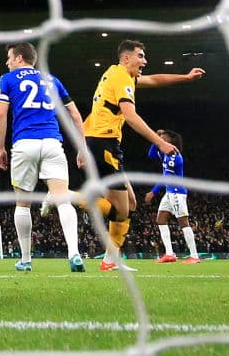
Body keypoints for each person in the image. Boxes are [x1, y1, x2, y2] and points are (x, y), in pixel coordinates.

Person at [79, 39, 204, 272]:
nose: (144, 61)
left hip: (99, 141)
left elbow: (154, 79)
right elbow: (131, 116)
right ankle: (68, 198)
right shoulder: (121, 78)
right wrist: (161, 143)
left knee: (130, 203)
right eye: (140, 56)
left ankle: (109, 259)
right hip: (104, 142)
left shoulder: (113, 73)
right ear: (126, 58)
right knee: (121, 209)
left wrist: (185, 78)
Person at [0, 42, 85, 273]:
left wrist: (0, 147)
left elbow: (1, 113)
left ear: (19, 58)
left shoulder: (7, 79)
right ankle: (74, 253)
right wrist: (82, 148)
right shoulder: (52, 80)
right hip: (53, 142)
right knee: (63, 199)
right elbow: (75, 115)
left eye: (9, 58)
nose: (7, 62)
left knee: (22, 204)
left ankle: (25, 260)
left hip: (25, 143)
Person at [145, 129, 201, 264]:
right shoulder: (166, 152)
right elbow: (151, 155)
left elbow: (167, 178)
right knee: (160, 220)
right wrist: (156, 139)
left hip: (176, 191)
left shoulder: (174, 155)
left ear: (170, 140)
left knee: (183, 222)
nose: (160, 138)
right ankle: (169, 254)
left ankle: (194, 256)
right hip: (169, 192)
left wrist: (153, 191)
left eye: (163, 136)